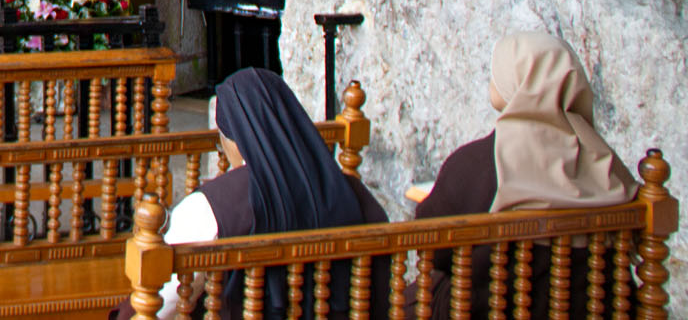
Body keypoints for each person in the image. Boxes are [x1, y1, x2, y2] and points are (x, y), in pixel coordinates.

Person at [133, 68, 389, 320]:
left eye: (221, 139)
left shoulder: (210, 207)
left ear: (236, 139)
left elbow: (161, 302)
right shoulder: (352, 191)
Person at [415, 32, 634, 320]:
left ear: (516, 83)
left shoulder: (476, 164)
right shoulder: (606, 164)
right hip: (599, 308)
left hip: (498, 307)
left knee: (421, 295)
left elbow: (430, 248)